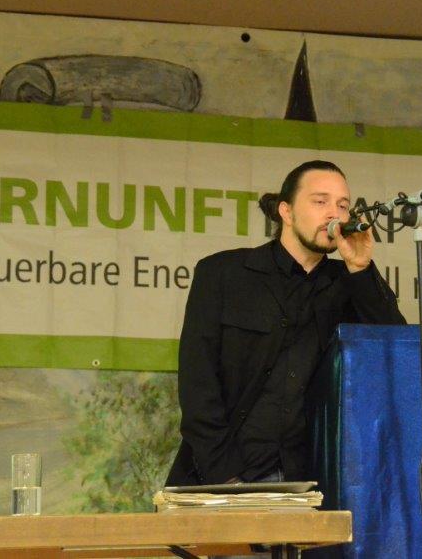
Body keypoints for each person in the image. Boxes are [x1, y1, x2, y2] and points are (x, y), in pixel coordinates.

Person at [166, 160, 406, 485]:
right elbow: (198, 383)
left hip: (310, 479)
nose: (334, 214)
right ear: (287, 212)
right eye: (320, 201)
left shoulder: (349, 283)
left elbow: (396, 349)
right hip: (225, 474)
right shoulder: (223, 273)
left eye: (343, 205)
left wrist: (361, 268)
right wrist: (225, 477)